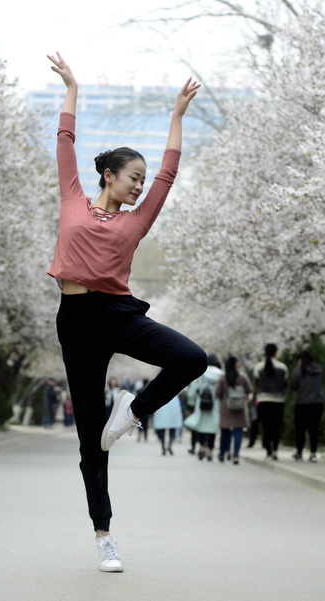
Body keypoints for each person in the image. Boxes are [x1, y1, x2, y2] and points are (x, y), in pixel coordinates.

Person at [46, 52, 207, 573]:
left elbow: (168, 174)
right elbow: (65, 142)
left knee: (191, 358)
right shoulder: (73, 198)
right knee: (91, 438)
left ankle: (133, 412)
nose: (140, 185)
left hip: (117, 312)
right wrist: (73, 87)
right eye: (131, 177)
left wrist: (176, 118)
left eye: (142, 179)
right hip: (75, 321)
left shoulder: (136, 222)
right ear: (109, 176)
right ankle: (104, 536)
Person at [253, 343, 290, 460]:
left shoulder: (258, 367)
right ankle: (275, 449)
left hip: (264, 400)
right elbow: (285, 383)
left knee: (266, 426)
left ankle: (268, 450)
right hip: (278, 401)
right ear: (275, 353)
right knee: (276, 426)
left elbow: (256, 383)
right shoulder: (283, 367)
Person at [183, 354, 223, 461]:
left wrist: (191, 403)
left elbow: (192, 389)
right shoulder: (221, 374)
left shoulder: (201, 373)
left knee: (201, 426)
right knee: (212, 428)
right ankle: (210, 451)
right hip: (215, 404)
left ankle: (201, 447)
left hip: (201, 403)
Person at [290, 350, 325, 462]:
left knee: (300, 429)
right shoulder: (319, 370)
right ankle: (313, 453)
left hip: (302, 403)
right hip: (317, 403)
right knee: (314, 429)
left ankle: (299, 452)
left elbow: (293, 386)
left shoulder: (299, 371)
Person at [215, 356, 251, 465]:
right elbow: (249, 390)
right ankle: (236, 454)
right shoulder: (242, 377)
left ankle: (222, 454)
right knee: (238, 431)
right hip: (239, 407)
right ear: (235, 364)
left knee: (225, 432)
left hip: (226, 406)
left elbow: (217, 393)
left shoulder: (223, 377)